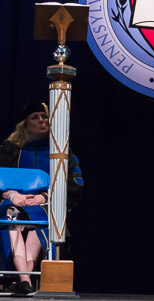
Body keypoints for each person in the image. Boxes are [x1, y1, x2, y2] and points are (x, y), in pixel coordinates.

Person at [0, 100, 83, 295]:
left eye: (45, 117)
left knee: (43, 220)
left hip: (45, 205)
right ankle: (25, 278)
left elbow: (74, 184)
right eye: (35, 117)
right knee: (11, 216)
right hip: (12, 203)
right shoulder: (9, 149)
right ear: (24, 124)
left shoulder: (62, 154)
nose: (41, 121)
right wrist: (11, 194)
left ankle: (24, 279)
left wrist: (44, 196)